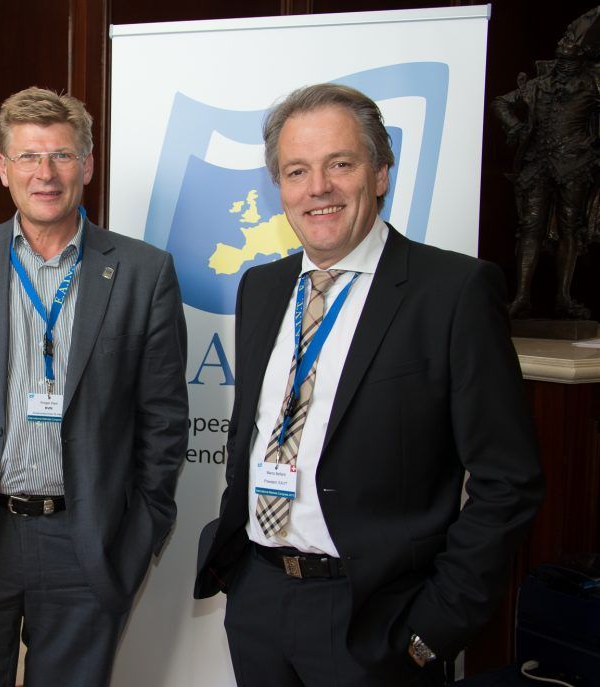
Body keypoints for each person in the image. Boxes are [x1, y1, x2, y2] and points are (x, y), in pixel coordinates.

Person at [195, 84, 544, 686]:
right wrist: (242, 579)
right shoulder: (262, 287)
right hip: (259, 599)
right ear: (279, 186)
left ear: (380, 174)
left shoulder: (453, 292)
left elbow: (508, 480)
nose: (318, 188)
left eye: (340, 164)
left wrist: (436, 626)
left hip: (375, 619)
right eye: (297, 171)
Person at [0, 86, 189, 687]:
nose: (44, 173)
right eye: (28, 156)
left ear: (87, 165)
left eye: (61, 155)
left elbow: (164, 421)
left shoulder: (143, 271)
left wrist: (137, 538)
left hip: (85, 540)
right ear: (4, 169)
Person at [492, 6, 600, 319]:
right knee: (530, 226)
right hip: (538, 163)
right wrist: (515, 126)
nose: (564, 66)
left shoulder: (591, 86)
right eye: (561, 59)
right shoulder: (539, 85)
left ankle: (563, 296)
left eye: (570, 59)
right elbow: (501, 102)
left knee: (570, 227)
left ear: (581, 59)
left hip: (574, 163)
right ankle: (522, 296)